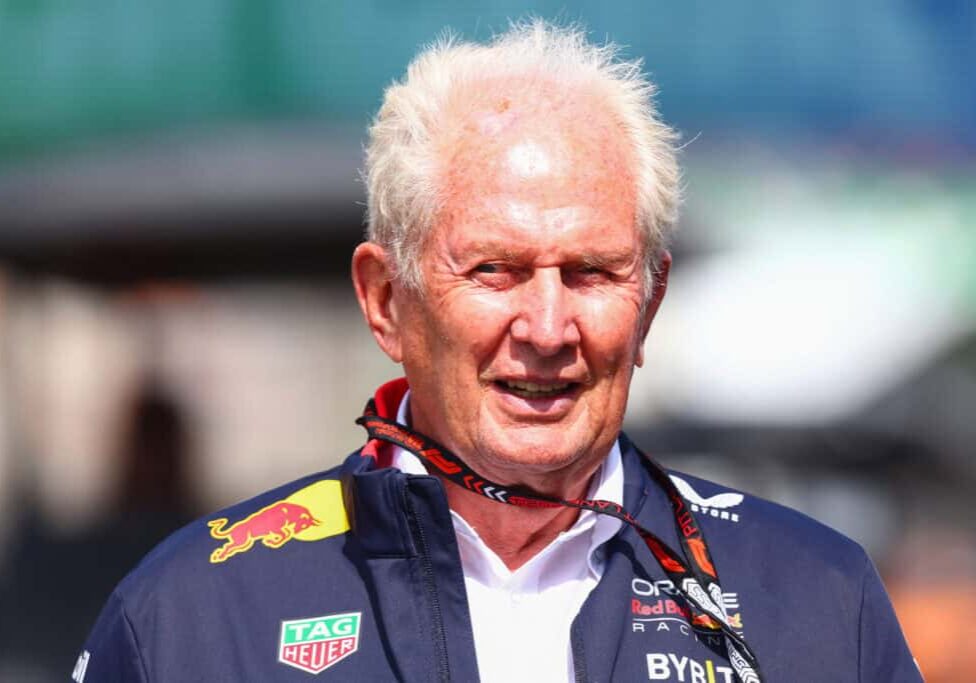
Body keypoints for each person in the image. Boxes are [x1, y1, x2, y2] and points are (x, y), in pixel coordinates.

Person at [75, 20, 921, 683]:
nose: (548, 328)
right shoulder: (193, 612)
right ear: (386, 300)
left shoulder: (814, 595)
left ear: (651, 300)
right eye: (495, 269)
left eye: (591, 271)